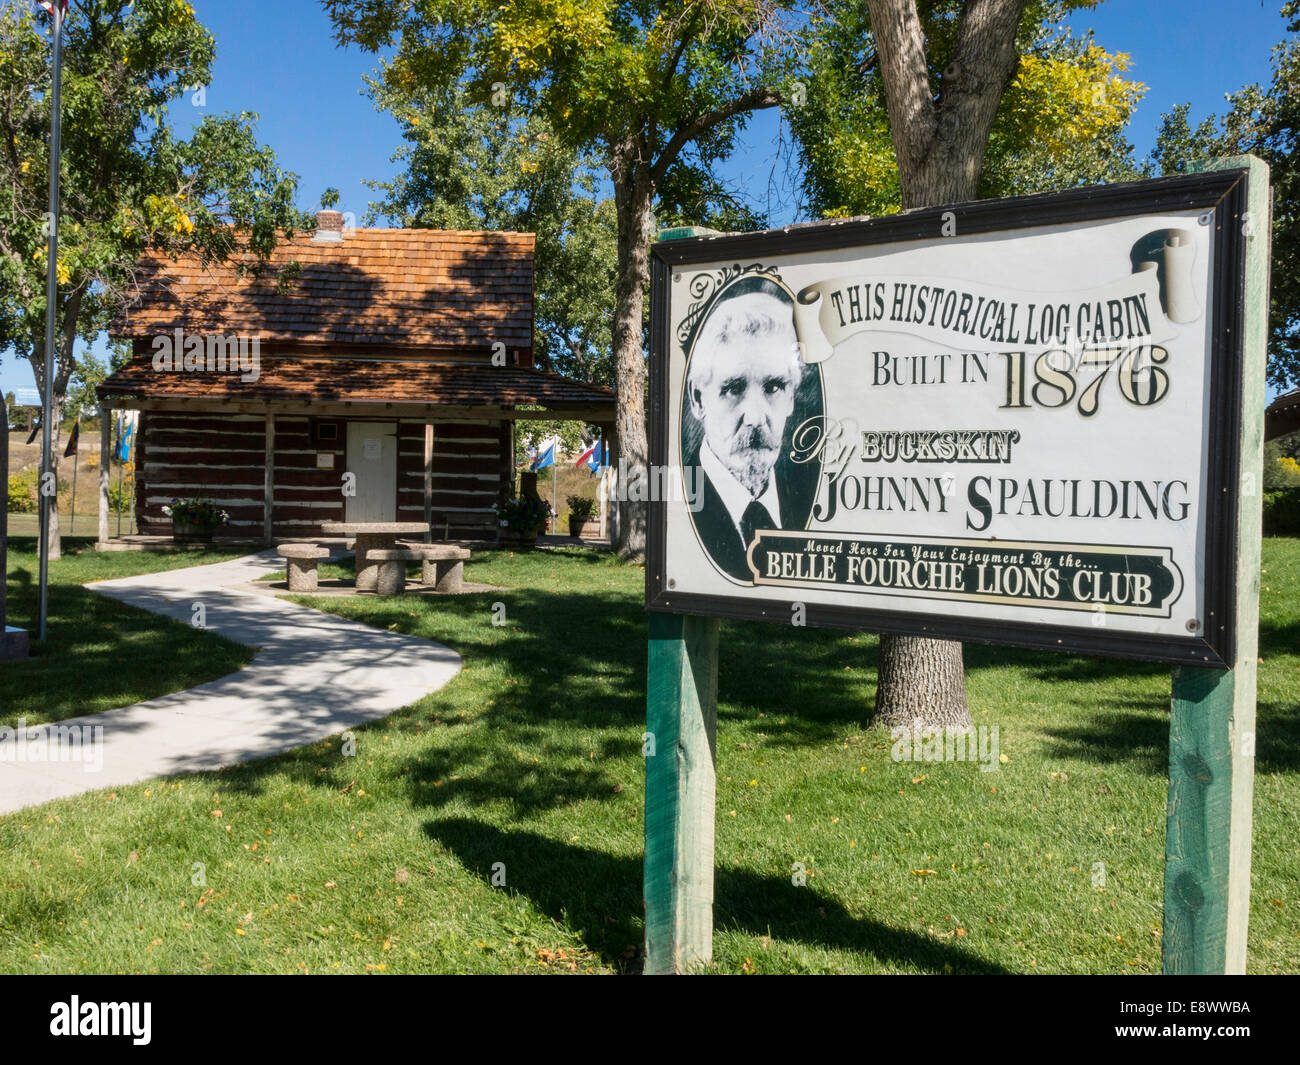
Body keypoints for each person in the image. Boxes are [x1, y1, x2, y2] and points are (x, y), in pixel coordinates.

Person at [685, 282, 803, 580]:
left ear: (791, 397)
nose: (754, 417)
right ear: (698, 398)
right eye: (734, 388)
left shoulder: (804, 499)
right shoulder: (680, 501)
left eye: (774, 386)